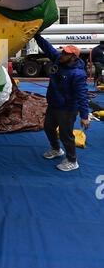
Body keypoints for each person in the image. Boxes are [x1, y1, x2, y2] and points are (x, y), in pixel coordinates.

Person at [35, 34, 89, 172]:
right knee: (48, 127)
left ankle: (72, 160)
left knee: (66, 134)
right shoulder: (59, 60)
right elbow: (47, 48)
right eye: (63, 51)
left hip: (67, 109)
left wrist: (84, 116)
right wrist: (35, 35)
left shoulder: (78, 74)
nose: (62, 53)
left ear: (73, 57)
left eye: (66, 53)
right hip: (53, 104)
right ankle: (56, 149)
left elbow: (82, 95)